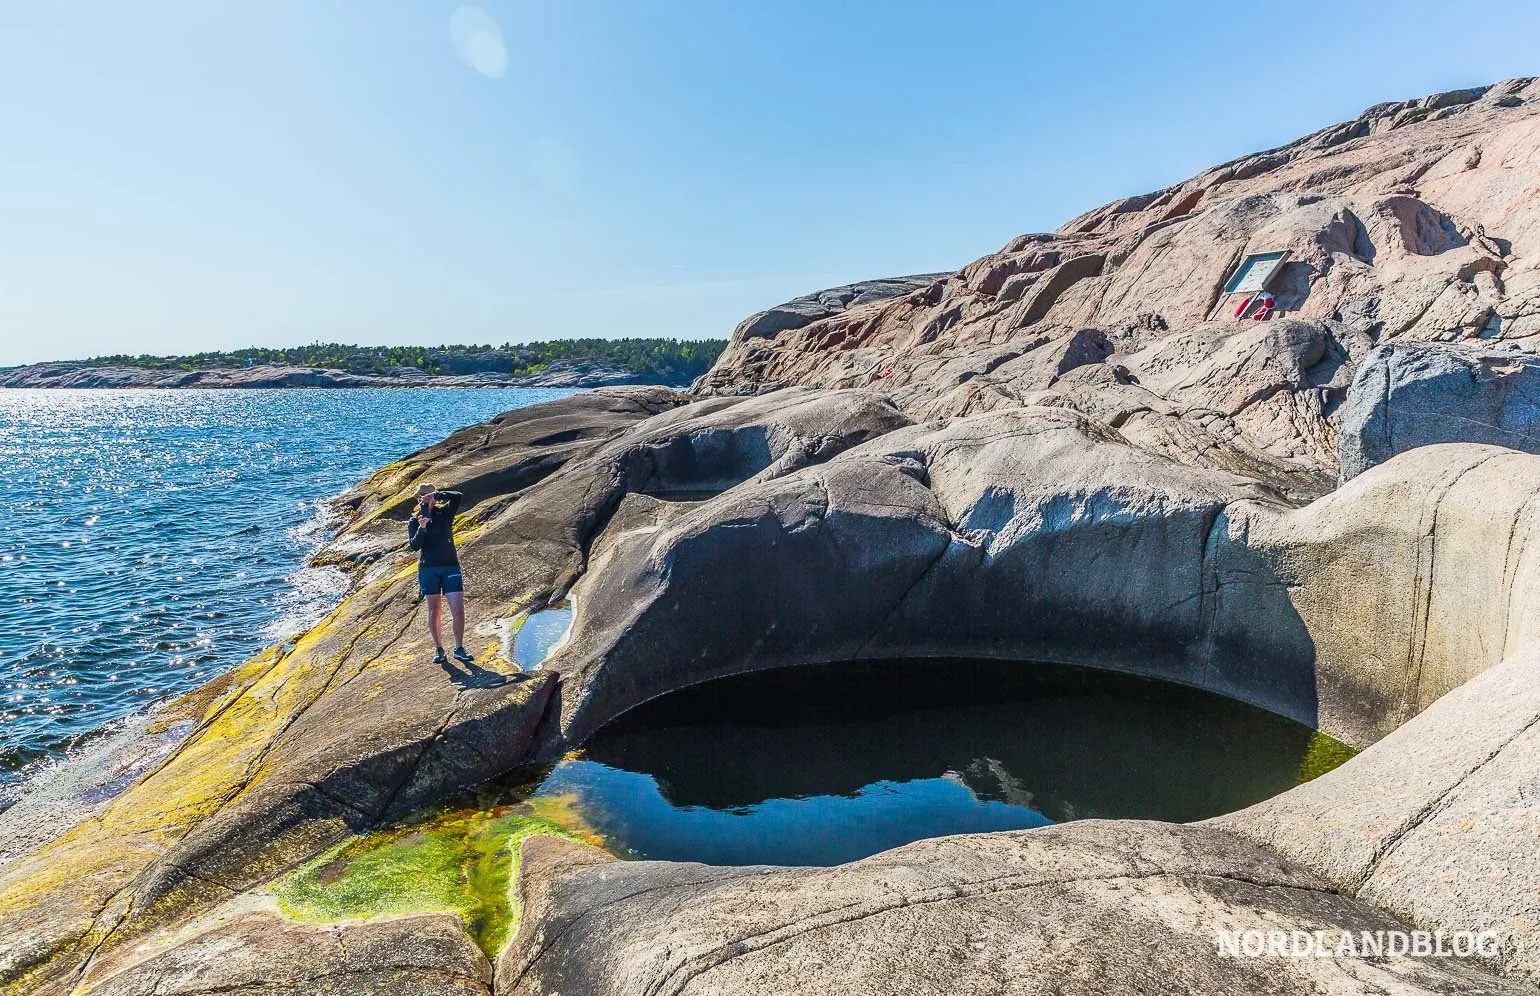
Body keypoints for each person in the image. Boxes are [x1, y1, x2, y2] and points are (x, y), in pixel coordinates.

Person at [407, 482, 473, 664]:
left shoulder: (444, 513)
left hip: (450, 566)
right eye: (422, 497)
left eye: (428, 496)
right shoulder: (415, 520)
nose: (425, 499)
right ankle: (439, 649)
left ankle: (459, 647)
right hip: (428, 569)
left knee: (458, 609)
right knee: (434, 610)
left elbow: (458, 496)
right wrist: (422, 527)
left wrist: (438, 494)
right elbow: (414, 546)